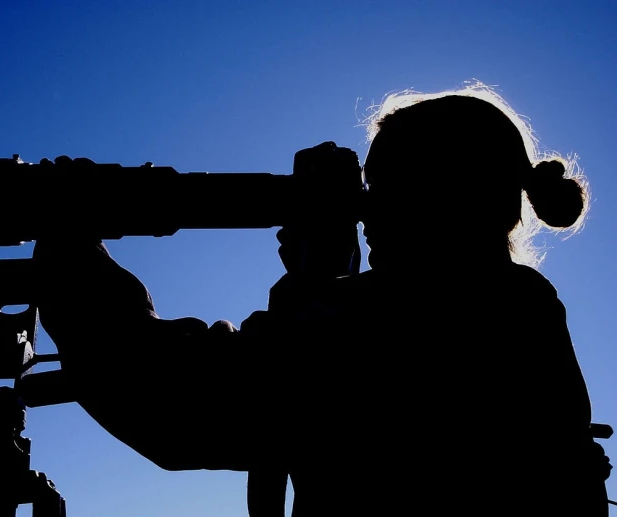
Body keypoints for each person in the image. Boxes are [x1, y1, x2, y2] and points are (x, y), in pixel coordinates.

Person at [33, 82, 611, 515]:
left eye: (383, 190)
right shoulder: (512, 306)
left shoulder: (432, 317)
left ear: (442, 197)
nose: (366, 214)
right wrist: (320, 285)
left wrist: (65, 241)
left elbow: (175, 402)